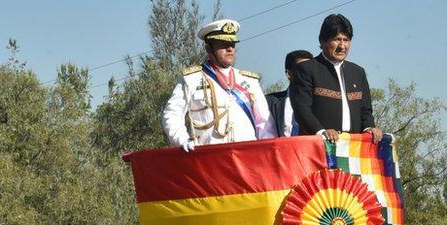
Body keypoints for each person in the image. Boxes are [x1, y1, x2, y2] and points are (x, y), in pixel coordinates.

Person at [162, 19, 274, 151]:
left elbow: (264, 124)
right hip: (211, 160)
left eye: (232, 44)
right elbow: (172, 114)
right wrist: (182, 140)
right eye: (223, 44)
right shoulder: (191, 79)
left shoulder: (249, 81)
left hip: (247, 159)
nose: (230, 49)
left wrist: (267, 151)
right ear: (209, 49)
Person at [290, 14, 383, 143]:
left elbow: (365, 110)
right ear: (323, 41)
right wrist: (322, 132)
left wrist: (369, 127)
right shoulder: (306, 69)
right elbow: (302, 110)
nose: (342, 46)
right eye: (337, 39)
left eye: (346, 40)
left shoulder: (358, 72)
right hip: (318, 147)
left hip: (353, 149)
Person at [266, 49, 314, 137]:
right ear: (289, 74)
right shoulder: (269, 102)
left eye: (310, 69)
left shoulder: (321, 101)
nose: (307, 73)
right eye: (302, 69)